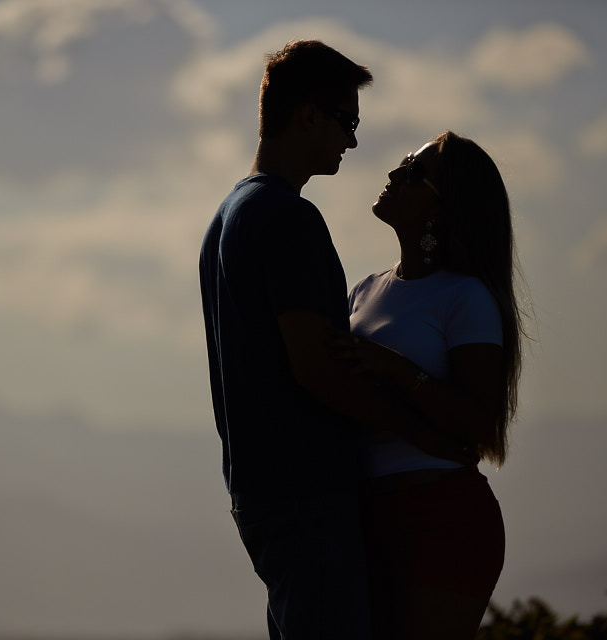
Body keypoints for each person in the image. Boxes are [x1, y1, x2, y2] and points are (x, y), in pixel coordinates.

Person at [199, 40, 467, 639]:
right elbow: (317, 367)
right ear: (308, 116)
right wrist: (422, 431)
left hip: (261, 490)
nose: (352, 141)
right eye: (347, 122)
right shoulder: (288, 217)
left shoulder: (229, 215)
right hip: (307, 491)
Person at [331, 131, 526, 639]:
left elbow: (478, 423)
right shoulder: (364, 291)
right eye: (401, 164)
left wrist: (397, 369)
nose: (394, 175)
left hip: (441, 518)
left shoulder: (465, 298)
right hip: (368, 516)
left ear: (443, 208)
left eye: (414, 173)